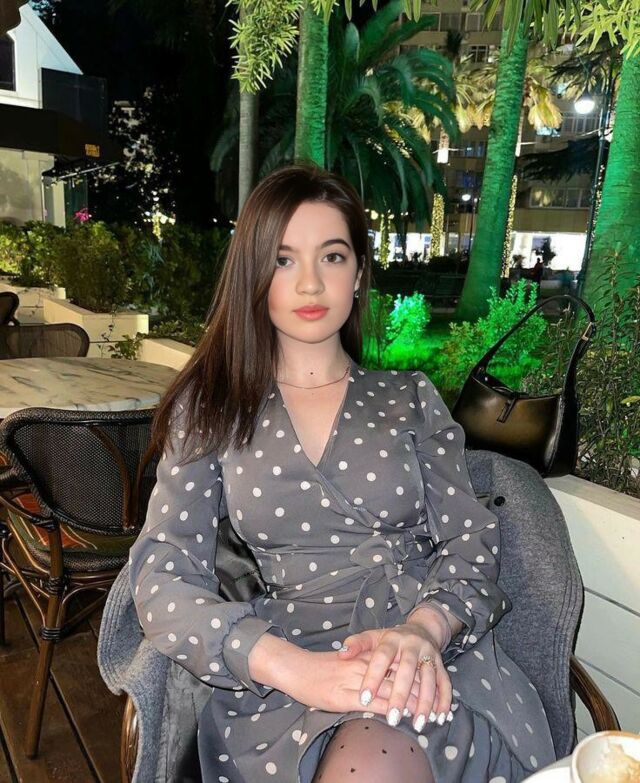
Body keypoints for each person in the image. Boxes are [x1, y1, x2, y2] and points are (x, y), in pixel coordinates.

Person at [129, 164, 556, 783]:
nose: (310, 281)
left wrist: (425, 629)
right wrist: (290, 667)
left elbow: (472, 539)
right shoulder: (213, 407)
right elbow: (163, 577)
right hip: (285, 668)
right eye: (283, 260)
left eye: (332, 256)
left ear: (358, 274)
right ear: (254, 274)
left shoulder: (409, 397)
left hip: (428, 654)